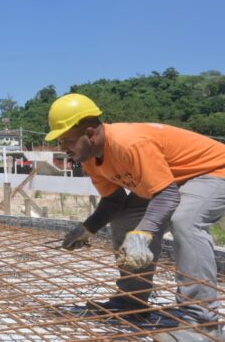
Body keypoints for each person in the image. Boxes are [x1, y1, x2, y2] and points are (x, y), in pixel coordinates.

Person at [50, 93, 225, 340]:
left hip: (212, 171)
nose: (62, 148)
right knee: (124, 219)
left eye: (66, 141)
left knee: (185, 221)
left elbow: (167, 196)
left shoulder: (128, 143)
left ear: (90, 134)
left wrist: (143, 234)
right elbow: (114, 200)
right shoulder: (89, 158)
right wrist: (87, 228)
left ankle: (202, 322)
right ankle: (132, 302)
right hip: (169, 181)